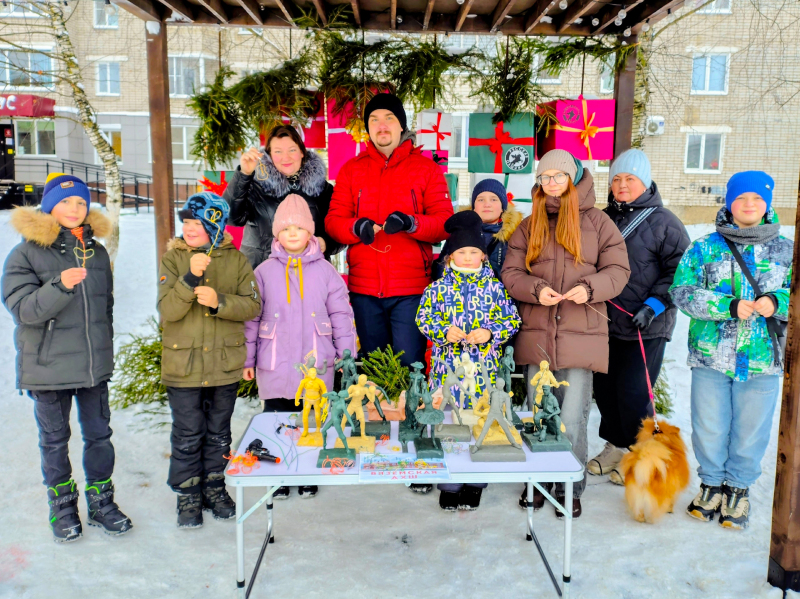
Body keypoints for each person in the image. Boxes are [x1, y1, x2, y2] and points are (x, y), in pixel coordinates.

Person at [2, 173, 132, 542]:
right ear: (49, 208)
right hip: (47, 368)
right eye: (64, 202)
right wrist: (60, 286)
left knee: (99, 437)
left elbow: (103, 309)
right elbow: (23, 310)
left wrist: (103, 351)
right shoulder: (25, 252)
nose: (74, 209)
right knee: (55, 442)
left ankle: (101, 502)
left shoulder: (98, 251)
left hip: (92, 367)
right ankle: (62, 508)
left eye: (80, 202)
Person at [501, 149, 630, 518]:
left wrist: (589, 288)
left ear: (573, 178)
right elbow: (511, 273)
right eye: (545, 177)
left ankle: (568, 486)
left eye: (559, 176)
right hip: (537, 336)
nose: (552, 183)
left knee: (572, 418)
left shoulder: (600, 223)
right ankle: (538, 481)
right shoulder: (529, 224)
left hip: (580, 335)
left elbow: (618, 270)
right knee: (537, 412)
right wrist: (535, 288)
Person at [670, 171, 791, 531]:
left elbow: (794, 292)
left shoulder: (786, 249)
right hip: (712, 356)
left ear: (767, 203)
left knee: (751, 428)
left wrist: (776, 300)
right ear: (729, 203)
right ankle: (710, 484)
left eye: (756, 198)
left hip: (761, 360)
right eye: (741, 199)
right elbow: (681, 292)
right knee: (709, 424)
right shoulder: (704, 247)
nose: (749, 205)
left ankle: (738, 489)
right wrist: (726, 305)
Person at [325, 92, 453, 369]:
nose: (382, 126)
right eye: (374, 120)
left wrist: (411, 223)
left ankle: (408, 414)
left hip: (411, 291)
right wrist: (356, 227)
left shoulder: (426, 169)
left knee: (410, 368)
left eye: (389, 118)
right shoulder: (351, 170)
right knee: (374, 371)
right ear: (368, 128)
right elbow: (334, 222)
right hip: (364, 290)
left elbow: (444, 222)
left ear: (401, 125)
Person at [158, 192, 261, 528]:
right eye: (186, 222)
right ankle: (188, 495)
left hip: (223, 365)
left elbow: (252, 306)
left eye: (197, 223)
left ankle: (215, 488)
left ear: (214, 225)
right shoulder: (174, 259)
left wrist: (220, 302)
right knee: (187, 433)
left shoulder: (237, 260)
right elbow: (168, 311)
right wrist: (189, 279)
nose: (189, 228)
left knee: (218, 432)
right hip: (183, 366)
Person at [244, 194, 356, 500]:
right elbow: (251, 319)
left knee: (312, 420)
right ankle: (277, 473)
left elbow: (342, 315)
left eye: (299, 228)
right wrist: (248, 358)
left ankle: (307, 471)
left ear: (310, 233)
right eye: (286, 229)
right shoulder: (264, 271)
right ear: (277, 234)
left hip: (315, 362)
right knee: (276, 420)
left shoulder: (326, 272)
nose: (293, 234)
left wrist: (347, 356)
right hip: (276, 361)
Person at [590, 149, 690, 483]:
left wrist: (653, 306)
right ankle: (615, 446)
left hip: (646, 325)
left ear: (644, 182)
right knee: (605, 390)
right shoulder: (601, 218)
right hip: (606, 323)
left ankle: (638, 454)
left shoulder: (666, 224)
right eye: (616, 178)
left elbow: (680, 274)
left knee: (633, 392)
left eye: (629, 179)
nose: (621, 185)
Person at [417, 211, 521, 510]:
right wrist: (442, 331)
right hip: (446, 372)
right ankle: (449, 483)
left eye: (473, 252)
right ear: (449, 257)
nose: (467, 257)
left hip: (482, 374)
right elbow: (423, 317)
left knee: (480, 422)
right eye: (460, 252)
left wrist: (490, 332)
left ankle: (476, 482)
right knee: (448, 423)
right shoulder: (437, 288)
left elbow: (512, 320)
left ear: (483, 258)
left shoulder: (495, 288)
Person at [224, 125, 342, 268]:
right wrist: (244, 174)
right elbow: (230, 218)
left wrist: (326, 243)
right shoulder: (255, 185)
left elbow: (340, 230)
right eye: (278, 151)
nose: (286, 157)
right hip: (261, 273)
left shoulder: (322, 190)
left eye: (292, 150)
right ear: (269, 155)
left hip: (309, 275)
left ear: (302, 152)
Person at [432, 178, 522, 280]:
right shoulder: (459, 231)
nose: (487, 204)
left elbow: (519, 273)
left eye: (493, 199)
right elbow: (442, 267)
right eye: (481, 199)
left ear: (503, 207)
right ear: (474, 206)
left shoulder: (516, 234)